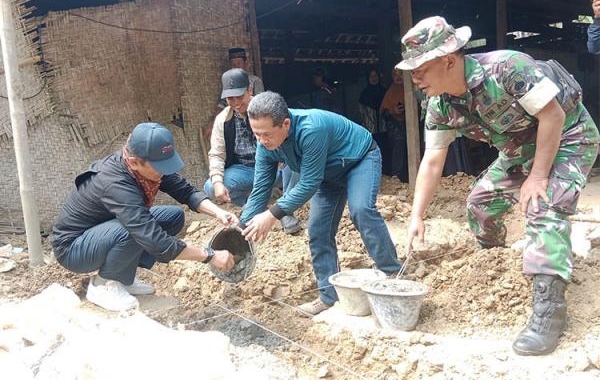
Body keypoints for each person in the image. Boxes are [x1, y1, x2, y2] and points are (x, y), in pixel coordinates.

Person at [398, 16, 599, 356]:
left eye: (421, 68)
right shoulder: (440, 105)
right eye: (411, 69)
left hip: (568, 138)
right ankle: (496, 263)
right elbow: (433, 160)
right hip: (521, 149)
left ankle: (550, 310)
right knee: (479, 203)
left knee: (542, 204)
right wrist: (417, 216)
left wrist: (537, 177)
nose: (414, 77)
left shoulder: (506, 69)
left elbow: (554, 116)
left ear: (448, 59)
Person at [238, 91, 402, 316]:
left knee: (361, 210)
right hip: (328, 174)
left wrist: (271, 215)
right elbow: (260, 189)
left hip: (359, 160)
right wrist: (241, 228)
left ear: (285, 123)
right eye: (256, 134)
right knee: (318, 231)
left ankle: (392, 274)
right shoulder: (265, 145)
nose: (261, 140)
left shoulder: (310, 129)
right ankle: (328, 296)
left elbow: (308, 184)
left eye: (266, 134)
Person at [52, 123, 237, 312]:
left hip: (105, 232)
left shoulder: (146, 168)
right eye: (159, 167)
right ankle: (102, 285)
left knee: (173, 217)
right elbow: (155, 241)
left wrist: (219, 212)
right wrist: (209, 256)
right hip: (73, 249)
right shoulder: (115, 183)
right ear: (133, 162)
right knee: (134, 231)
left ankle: (123, 276)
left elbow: (185, 191)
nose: (164, 172)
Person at [204, 68, 302, 234]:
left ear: (249, 90)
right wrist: (218, 182)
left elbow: (289, 136)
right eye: (230, 98)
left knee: (295, 164)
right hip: (245, 169)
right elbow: (217, 154)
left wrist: (282, 156)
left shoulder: (269, 108)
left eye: (239, 96)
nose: (235, 102)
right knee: (211, 186)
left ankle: (284, 209)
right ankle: (253, 206)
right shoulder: (223, 119)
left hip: (276, 168)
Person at [380, 68, 408, 182]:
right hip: (396, 127)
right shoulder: (390, 92)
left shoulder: (410, 89)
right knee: (399, 147)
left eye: (401, 74)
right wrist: (393, 111)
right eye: (395, 75)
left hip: (411, 125)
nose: (398, 77)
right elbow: (383, 111)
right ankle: (397, 175)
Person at [358, 67, 386, 134]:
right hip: (369, 130)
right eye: (371, 76)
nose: (374, 78)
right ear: (368, 78)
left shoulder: (385, 92)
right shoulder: (364, 95)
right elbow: (361, 114)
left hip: (384, 129)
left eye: (375, 76)